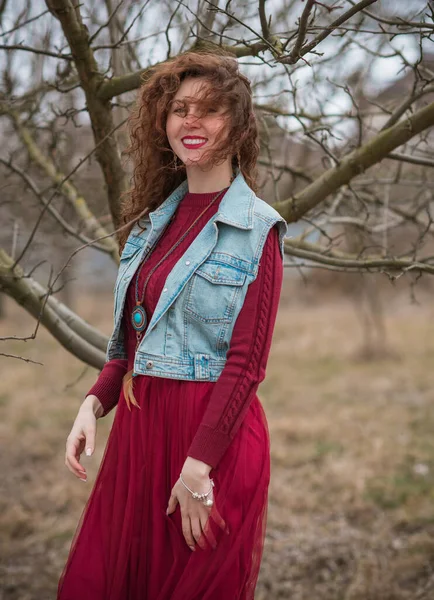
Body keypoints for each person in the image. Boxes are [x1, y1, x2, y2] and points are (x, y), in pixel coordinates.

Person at [57, 51, 288, 600]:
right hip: (141, 434)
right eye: (180, 108)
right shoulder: (151, 223)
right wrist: (93, 403)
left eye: (209, 110)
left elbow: (246, 365)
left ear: (236, 124)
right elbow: (134, 340)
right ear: (163, 122)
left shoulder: (257, 230)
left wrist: (199, 466)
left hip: (210, 445)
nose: (192, 121)